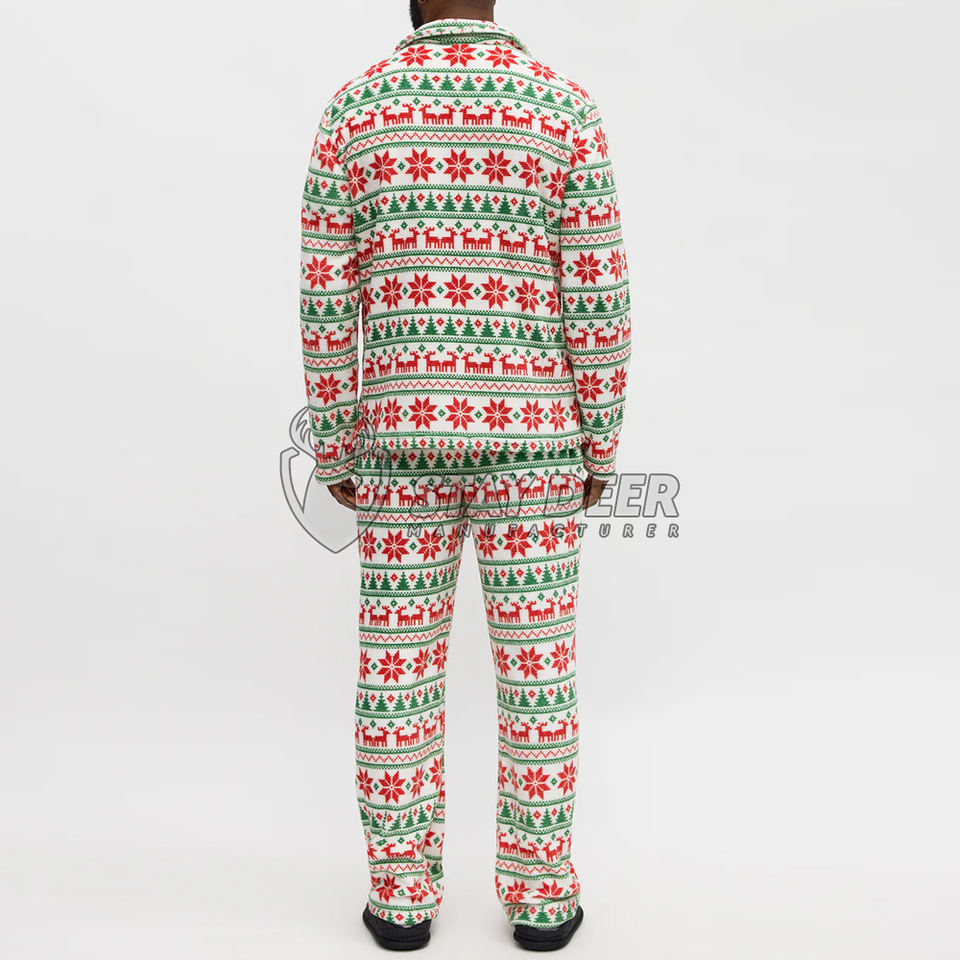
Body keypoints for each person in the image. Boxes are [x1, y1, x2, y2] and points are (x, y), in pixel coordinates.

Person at [298, 0, 631, 949]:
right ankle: (542, 897)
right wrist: (599, 442)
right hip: (535, 443)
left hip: (401, 445)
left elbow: (326, 301)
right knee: (538, 676)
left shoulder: (355, 112)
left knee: (396, 674)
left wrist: (337, 442)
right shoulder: (563, 110)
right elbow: (599, 295)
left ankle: (401, 901)